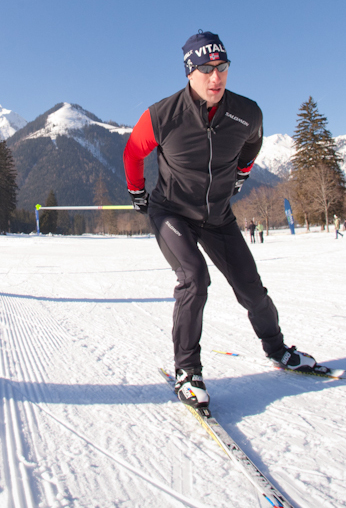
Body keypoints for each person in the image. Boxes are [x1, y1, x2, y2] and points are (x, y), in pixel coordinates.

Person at [123, 30, 316, 409]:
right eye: (207, 69)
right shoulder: (162, 116)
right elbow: (133, 151)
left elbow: (253, 141)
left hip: (217, 216)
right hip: (172, 212)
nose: (216, 78)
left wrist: (243, 171)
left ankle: (277, 350)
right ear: (189, 72)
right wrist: (137, 192)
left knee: (251, 289)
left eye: (222, 68)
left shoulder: (246, 113)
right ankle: (187, 370)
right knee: (194, 278)